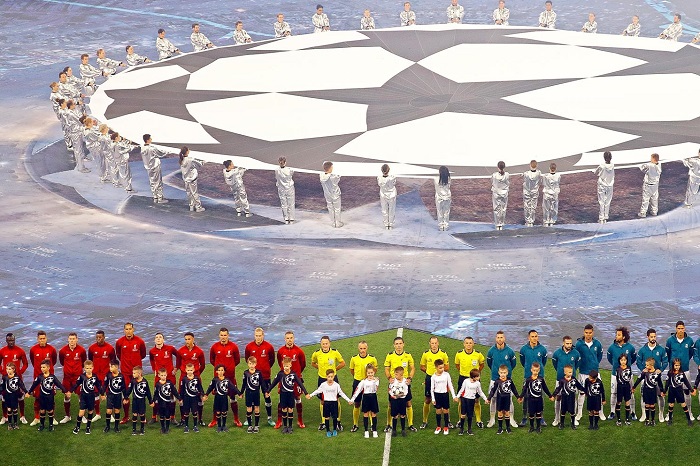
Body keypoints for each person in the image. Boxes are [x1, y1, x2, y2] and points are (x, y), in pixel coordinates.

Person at [209, 327, 242, 428]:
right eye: (221, 335)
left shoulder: (233, 347)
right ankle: (214, 419)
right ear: (219, 336)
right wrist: (219, 371)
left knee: (233, 397)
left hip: (230, 377)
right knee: (217, 398)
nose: (223, 337)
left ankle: (236, 419)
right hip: (218, 379)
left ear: (228, 335)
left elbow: (237, 360)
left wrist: (229, 368)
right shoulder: (214, 347)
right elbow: (212, 360)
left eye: (225, 335)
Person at [115, 322, 147, 425]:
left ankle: (142, 415)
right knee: (126, 394)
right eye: (126, 329)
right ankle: (126, 416)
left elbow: (143, 354)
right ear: (124, 330)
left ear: (133, 330)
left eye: (130, 329)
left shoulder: (140, 341)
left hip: (137, 373)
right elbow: (118, 355)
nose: (128, 331)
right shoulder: (119, 342)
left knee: (140, 393)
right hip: (125, 372)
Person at [311, 336, 345, 431]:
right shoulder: (316, 353)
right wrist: (321, 370)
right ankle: (323, 422)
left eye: (326, 343)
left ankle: (338, 421)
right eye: (323, 344)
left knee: (336, 399)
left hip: (333, 380)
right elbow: (313, 363)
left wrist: (334, 371)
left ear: (329, 343)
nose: (325, 345)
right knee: (322, 400)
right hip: (322, 379)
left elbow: (342, 363)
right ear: (320, 344)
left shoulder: (335, 352)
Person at [383, 336, 416, 432]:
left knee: (408, 403)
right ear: (394, 345)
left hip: (404, 384)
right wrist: (389, 378)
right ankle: (389, 424)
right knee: (391, 404)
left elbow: (412, 368)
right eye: (396, 344)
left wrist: (409, 378)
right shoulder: (390, 356)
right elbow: (386, 368)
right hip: (394, 384)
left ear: (403, 344)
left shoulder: (408, 355)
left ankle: (410, 424)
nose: (398, 346)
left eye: (400, 343)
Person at [267, 356, 308, 434]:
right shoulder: (280, 374)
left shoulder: (293, 374)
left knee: (290, 409)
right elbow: (274, 382)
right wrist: (268, 390)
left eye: (287, 366)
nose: (285, 367)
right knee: (284, 409)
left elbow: (300, 383)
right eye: (284, 366)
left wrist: (306, 393)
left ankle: (290, 426)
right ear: (282, 365)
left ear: (290, 365)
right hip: (283, 394)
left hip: (291, 394)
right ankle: (285, 426)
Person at [244, 328, 276, 427]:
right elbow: (247, 359)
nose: (258, 338)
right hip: (253, 378)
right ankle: (250, 418)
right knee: (252, 397)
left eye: (260, 335)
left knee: (267, 396)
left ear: (263, 335)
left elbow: (272, 360)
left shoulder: (269, 347)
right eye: (256, 336)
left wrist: (266, 368)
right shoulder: (249, 347)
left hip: (265, 377)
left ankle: (269, 418)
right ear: (254, 336)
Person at [486, 331, 517, 428]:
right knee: (493, 399)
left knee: (509, 399)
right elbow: (489, 363)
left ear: (504, 338)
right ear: (496, 338)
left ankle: (511, 418)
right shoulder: (491, 351)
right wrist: (496, 372)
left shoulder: (510, 351)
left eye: (501, 337)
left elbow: (513, 364)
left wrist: (507, 374)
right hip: (494, 378)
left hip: (507, 379)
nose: (500, 339)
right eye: (498, 337)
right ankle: (492, 419)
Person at [28, 360, 69, 431]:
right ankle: (42, 425)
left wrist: (65, 391)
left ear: (48, 368)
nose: (42, 369)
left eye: (44, 367)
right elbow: (34, 385)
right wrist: (29, 392)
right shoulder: (40, 377)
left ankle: (51, 425)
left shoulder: (52, 377)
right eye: (41, 367)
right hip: (42, 397)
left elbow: (59, 384)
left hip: (50, 397)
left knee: (50, 411)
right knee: (42, 411)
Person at [275, 331, 306, 428]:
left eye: (291, 338)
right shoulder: (281, 351)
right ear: (285, 339)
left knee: (298, 398)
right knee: (281, 399)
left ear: (294, 338)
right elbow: (280, 363)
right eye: (287, 338)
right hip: (284, 379)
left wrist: (297, 374)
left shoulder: (299, 351)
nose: (289, 340)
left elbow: (303, 364)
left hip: (295, 380)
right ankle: (279, 420)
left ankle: (300, 420)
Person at [307, 369, 351, 437]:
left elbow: (341, 393)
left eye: (331, 377)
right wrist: (310, 395)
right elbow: (318, 391)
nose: (330, 378)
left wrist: (348, 400)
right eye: (329, 377)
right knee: (326, 417)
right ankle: (328, 430)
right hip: (326, 403)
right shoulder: (323, 385)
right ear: (326, 377)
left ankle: (334, 430)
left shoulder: (336, 385)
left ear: (334, 377)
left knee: (334, 417)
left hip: (334, 403)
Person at [637, 329, 668, 423]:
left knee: (660, 395)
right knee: (643, 395)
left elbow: (665, 361)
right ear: (647, 337)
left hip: (657, 378)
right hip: (646, 377)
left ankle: (661, 414)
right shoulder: (642, 350)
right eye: (651, 337)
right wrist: (643, 369)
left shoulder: (661, 349)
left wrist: (660, 370)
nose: (653, 338)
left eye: (654, 336)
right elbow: (638, 361)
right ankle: (644, 414)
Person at [666, 321, 695, 421]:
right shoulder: (670, 340)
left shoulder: (689, 340)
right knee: (672, 391)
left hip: (685, 370)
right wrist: (673, 365)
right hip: (673, 372)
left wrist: (685, 361)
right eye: (679, 328)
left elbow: (691, 353)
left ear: (684, 329)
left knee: (687, 391)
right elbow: (668, 353)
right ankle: (669, 414)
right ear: (676, 329)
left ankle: (689, 412)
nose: (680, 330)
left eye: (682, 328)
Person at [575, 324, 604, 422]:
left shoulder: (597, 344)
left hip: (595, 372)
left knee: (598, 393)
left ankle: (600, 412)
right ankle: (579, 413)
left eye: (590, 333)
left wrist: (594, 364)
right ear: (584, 332)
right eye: (586, 333)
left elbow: (599, 356)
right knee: (582, 393)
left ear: (593, 332)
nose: (588, 335)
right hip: (583, 372)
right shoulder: (579, 344)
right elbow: (576, 356)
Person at [454, 337, 485, 429]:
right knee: (461, 400)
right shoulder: (459, 354)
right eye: (467, 343)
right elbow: (457, 365)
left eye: (470, 343)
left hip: (475, 379)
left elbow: (482, 364)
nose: (468, 345)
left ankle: (478, 420)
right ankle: (460, 420)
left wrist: (476, 374)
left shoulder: (478, 354)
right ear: (464, 344)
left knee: (476, 400)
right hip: (463, 378)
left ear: (473, 344)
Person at [607, 326, 637, 420]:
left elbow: (633, 358)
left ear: (623, 337)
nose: (616, 336)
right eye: (616, 334)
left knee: (631, 393)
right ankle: (612, 412)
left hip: (628, 375)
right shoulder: (611, 348)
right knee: (613, 393)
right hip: (615, 374)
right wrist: (616, 367)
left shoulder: (630, 347)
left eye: (618, 335)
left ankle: (632, 412)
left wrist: (627, 368)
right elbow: (609, 358)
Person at [28, 331, 58, 427]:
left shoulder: (52, 349)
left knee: (51, 397)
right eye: (40, 339)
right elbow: (33, 361)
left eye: (43, 338)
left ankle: (52, 417)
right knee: (37, 398)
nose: (42, 340)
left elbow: (54, 361)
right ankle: (37, 418)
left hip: (49, 379)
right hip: (38, 377)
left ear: (46, 338)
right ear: (37, 339)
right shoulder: (33, 349)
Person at [519, 330, 547, 426]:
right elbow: (523, 361)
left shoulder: (542, 349)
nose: (534, 338)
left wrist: (538, 372)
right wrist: (528, 369)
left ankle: (541, 417)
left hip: (540, 377)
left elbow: (543, 362)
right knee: (526, 397)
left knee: (541, 397)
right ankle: (524, 417)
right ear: (529, 337)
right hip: (528, 376)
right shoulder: (523, 349)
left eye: (536, 336)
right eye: (532, 336)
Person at [420, 336, 449, 429]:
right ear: (430, 344)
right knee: (428, 399)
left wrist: (439, 374)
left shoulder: (443, 354)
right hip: (429, 378)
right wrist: (431, 374)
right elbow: (422, 366)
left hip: (441, 379)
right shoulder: (426, 354)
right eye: (432, 343)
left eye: (435, 343)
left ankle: (447, 421)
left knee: (444, 399)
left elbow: (447, 367)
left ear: (438, 343)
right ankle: (424, 421)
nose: (434, 345)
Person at [176, 332, 206, 426]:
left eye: (189, 339)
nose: (187, 341)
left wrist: (196, 374)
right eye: (186, 339)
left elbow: (203, 365)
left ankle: (200, 419)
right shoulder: (180, 351)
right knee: (181, 396)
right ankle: (182, 419)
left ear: (193, 339)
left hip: (195, 376)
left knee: (199, 397)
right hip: (183, 377)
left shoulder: (199, 351)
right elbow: (178, 364)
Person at [349, 341, 378, 433]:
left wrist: (370, 378)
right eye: (361, 348)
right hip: (357, 382)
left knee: (370, 405)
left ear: (367, 348)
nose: (362, 350)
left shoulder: (372, 359)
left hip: (368, 383)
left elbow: (375, 369)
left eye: (364, 348)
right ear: (358, 348)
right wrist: (358, 378)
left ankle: (372, 425)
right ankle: (355, 424)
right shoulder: (354, 358)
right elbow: (352, 370)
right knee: (357, 403)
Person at [551, 336, 581, 426]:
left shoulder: (576, 353)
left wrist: (572, 373)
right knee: (558, 397)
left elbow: (577, 364)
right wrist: (560, 371)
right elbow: (555, 364)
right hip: (560, 379)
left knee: (573, 398)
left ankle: (573, 419)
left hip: (572, 381)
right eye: (567, 343)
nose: (569, 345)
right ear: (563, 343)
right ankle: (557, 418)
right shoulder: (557, 353)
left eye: (570, 343)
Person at [58, 332, 87, 424]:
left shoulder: (82, 350)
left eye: (74, 339)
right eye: (70, 339)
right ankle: (67, 416)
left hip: (78, 378)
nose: (72, 341)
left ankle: (82, 415)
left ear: (77, 339)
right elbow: (62, 362)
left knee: (81, 396)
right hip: (67, 378)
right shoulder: (62, 351)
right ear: (68, 339)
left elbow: (84, 362)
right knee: (67, 396)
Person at [149, 333, 177, 423]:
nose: (158, 339)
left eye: (160, 337)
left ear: (163, 340)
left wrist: (176, 368)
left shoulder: (170, 348)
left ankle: (172, 417)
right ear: (154, 340)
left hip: (170, 377)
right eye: (156, 337)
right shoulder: (152, 351)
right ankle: (154, 417)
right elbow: (151, 360)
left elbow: (179, 356)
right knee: (156, 396)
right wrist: (154, 369)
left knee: (172, 397)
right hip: (159, 377)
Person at [1, 333, 29, 425]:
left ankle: (22, 416)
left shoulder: (20, 351)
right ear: (6, 340)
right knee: (4, 397)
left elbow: (25, 364)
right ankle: (5, 417)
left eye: (12, 340)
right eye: (9, 340)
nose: (11, 342)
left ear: (15, 340)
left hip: (17, 379)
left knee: (20, 397)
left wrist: (20, 372)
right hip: (6, 379)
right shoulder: (2, 351)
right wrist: (3, 372)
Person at [203, 364, 240, 433]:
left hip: (224, 398)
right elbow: (210, 388)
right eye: (219, 370)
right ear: (216, 371)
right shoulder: (215, 380)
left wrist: (239, 393)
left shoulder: (227, 380)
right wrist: (206, 395)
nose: (220, 372)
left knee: (224, 412)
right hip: (217, 398)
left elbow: (233, 387)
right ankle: (219, 426)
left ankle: (224, 425)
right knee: (218, 412)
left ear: (224, 371)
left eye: (222, 370)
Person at [519, 362, 553, 433]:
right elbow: (524, 389)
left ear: (539, 370)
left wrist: (550, 396)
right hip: (531, 399)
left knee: (538, 413)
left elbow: (545, 388)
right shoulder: (528, 380)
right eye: (534, 370)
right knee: (531, 414)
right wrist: (521, 397)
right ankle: (531, 427)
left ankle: (538, 427)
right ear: (531, 370)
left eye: (537, 371)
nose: (535, 372)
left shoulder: (541, 379)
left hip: (539, 399)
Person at [348, 363, 380, 438]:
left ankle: (374, 430)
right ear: (366, 373)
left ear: (374, 372)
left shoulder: (376, 380)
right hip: (366, 397)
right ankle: (366, 431)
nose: (370, 374)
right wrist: (352, 399)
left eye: (371, 372)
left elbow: (375, 389)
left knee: (374, 414)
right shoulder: (363, 381)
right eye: (368, 373)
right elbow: (357, 390)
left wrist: (375, 381)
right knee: (366, 414)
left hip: (373, 397)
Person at [70, 360, 101, 435]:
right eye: (87, 368)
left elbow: (98, 385)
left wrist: (102, 394)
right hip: (83, 396)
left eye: (90, 368)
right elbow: (76, 384)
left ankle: (88, 427)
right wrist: (70, 391)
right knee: (81, 412)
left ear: (93, 368)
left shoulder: (95, 376)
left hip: (91, 396)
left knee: (90, 411)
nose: (88, 370)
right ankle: (77, 427)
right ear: (84, 368)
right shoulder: (82, 376)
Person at [487, 365, 520, 434]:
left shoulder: (509, 380)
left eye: (504, 373)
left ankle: (508, 428)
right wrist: (489, 398)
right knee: (500, 413)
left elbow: (514, 389)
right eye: (501, 373)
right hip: (500, 400)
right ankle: (500, 428)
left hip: (507, 399)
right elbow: (493, 390)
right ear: (499, 373)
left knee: (507, 413)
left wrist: (518, 397)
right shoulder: (497, 381)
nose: (503, 374)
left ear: (507, 373)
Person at [633, 358, 664, 426]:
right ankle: (647, 419)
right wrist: (634, 387)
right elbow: (639, 379)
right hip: (646, 390)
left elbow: (660, 383)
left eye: (647, 365)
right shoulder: (645, 372)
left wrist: (662, 391)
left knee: (652, 405)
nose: (645, 366)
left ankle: (652, 420)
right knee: (647, 405)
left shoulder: (657, 373)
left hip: (653, 391)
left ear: (651, 365)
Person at [456, 368, 488, 435]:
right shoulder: (466, 381)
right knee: (463, 415)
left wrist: (485, 399)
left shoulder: (478, 383)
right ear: (474, 377)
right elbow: (462, 389)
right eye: (478, 376)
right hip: (464, 399)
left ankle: (469, 429)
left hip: (471, 400)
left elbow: (480, 392)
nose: (479, 377)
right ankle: (461, 429)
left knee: (470, 415)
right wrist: (457, 396)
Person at [552, 365, 583, 429]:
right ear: (565, 372)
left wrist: (585, 390)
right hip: (564, 398)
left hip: (571, 398)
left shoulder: (574, 379)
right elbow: (558, 388)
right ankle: (562, 424)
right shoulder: (562, 380)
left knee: (572, 411)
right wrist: (553, 395)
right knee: (563, 411)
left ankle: (573, 424)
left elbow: (579, 386)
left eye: (571, 372)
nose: (571, 373)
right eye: (569, 372)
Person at [665, 358, 695, 426]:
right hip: (672, 391)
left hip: (679, 391)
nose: (677, 367)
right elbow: (667, 382)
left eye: (678, 365)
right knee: (671, 404)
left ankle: (689, 419)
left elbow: (686, 382)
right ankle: (670, 419)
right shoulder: (670, 372)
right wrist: (664, 391)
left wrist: (691, 389)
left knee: (683, 404)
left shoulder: (682, 373)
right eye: (676, 365)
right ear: (673, 365)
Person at [430, 359, 456, 434]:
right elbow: (432, 389)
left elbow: (450, 385)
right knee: (438, 411)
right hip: (437, 395)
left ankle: (446, 427)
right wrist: (433, 399)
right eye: (440, 368)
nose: (442, 369)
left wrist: (454, 396)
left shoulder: (446, 375)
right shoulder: (433, 377)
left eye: (443, 367)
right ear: (436, 367)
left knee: (445, 410)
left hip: (445, 394)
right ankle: (438, 426)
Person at [124, 366, 152, 435]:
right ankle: (134, 429)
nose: (133, 374)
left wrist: (150, 401)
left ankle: (142, 429)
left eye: (134, 373)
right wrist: (126, 398)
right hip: (135, 401)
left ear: (139, 373)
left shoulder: (145, 382)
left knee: (142, 414)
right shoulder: (133, 381)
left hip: (142, 401)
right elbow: (129, 390)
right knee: (135, 414)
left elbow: (148, 392)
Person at [141, 134, 169, 204]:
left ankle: (155, 197)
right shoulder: (152, 148)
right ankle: (160, 198)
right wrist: (167, 151)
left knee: (152, 181)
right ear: (148, 140)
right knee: (158, 182)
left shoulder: (142, 148)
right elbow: (160, 153)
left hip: (148, 167)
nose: (151, 139)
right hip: (155, 166)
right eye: (150, 138)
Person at [65, 101, 90, 173]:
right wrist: (84, 117)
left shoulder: (72, 111)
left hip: (77, 132)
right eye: (73, 104)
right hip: (75, 133)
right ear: (70, 106)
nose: (75, 105)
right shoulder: (70, 113)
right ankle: (81, 167)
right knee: (78, 150)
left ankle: (81, 165)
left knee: (79, 149)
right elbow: (80, 120)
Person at [178, 362, 204, 433]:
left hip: (194, 398)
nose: (190, 371)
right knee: (186, 412)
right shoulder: (184, 379)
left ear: (194, 370)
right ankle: (186, 426)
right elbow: (182, 389)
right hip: (186, 398)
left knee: (194, 412)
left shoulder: (196, 378)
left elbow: (200, 387)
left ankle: (195, 426)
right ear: (186, 370)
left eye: (191, 370)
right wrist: (180, 398)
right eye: (188, 370)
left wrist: (202, 395)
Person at [152, 368, 180, 434]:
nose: (163, 377)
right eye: (162, 375)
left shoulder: (169, 383)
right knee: (161, 416)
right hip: (160, 403)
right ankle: (162, 427)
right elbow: (156, 394)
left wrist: (179, 398)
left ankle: (167, 428)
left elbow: (174, 391)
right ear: (158, 375)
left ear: (166, 375)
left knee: (167, 415)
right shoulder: (157, 384)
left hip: (168, 403)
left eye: (164, 375)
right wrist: (153, 401)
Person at [240, 357, 264, 433]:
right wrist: (241, 392)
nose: (251, 365)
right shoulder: (245, 373)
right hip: (248, 393)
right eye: (250, 364)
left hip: (256, 393)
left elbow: (262, 383)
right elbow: (244, 384)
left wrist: (266, 392)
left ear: (255, 364)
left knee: (257, 408)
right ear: (248, 364)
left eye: (253, 364)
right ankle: (250, 426)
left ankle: (256, 425)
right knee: (249, 408)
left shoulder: (259, 373)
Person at [2, 363, 28, 430]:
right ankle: (10, 424)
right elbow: (2, 386)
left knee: (15, 409)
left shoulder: (17, 377)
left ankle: (15, 424)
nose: (7, 370)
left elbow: (21, 385)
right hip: (8, 396)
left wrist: (26, 392)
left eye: (9, 369)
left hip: (14, 396)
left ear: (13, 369)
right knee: (9, 409)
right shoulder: (5, 377)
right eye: (7, 369)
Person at [179, 146, 205, 212]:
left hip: (186, 179)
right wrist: (203, 162)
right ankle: (198, 207)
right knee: (194, 193)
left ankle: (191, 206)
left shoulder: (181, 160)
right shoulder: (190, 160)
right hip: (192, 178)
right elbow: (199, 164)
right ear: (187, 152)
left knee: (189, 193)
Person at [102, 360, 125, 433]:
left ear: (117, 367)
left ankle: (116, 427)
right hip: (110, 395)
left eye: (111, 367)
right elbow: (105, 385)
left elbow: (123, 387)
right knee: (109, 411)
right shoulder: (108, 375)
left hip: (118, 395)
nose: (110, 368)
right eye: (110, 367)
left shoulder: (121, 376)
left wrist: (125, 397)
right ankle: (107, 426)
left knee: (117, 411)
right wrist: (102, 394)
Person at [388, 366, 410, 437]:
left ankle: (403, 429)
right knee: (395, 415)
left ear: (401, 374)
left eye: (397, 374)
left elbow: (406, 392)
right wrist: (392, 395)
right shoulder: (393, 381)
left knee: (402, 415)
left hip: (402, 400)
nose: (395, 376)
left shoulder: (405, 382)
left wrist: (398, 396)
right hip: (394, 400)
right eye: (395, 374)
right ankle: (394, 430)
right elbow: (389, 390)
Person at [638, 153, 662, 218]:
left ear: (653, 159)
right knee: (654, 199)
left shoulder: (649, 166)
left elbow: (642, 168)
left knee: (645, 199)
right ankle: (654, 211)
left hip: (648, 186)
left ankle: (643, 213)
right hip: (655, 185)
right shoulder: (659, 165)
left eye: (651, 158)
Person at [320, 161, 342, 227]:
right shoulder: (334, 176)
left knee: (330, 208)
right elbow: (338, 178)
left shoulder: (321, 175)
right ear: (330, 168)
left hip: (327, 194)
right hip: (335, 194)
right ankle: (337, 222)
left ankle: (333, 222)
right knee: (337, 208)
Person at [594, 151, 614, 223]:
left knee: (601, 201)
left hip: (602, 184)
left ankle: (601, 217)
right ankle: (606, 216)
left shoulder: (601, 165)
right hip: (610, 185)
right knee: (608, 201)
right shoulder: (612, 165)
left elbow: (595, 172)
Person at [613, 354, 633, 425]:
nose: (623, 361)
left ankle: (627, 419)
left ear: (627, 360)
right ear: (619, 361)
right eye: (622, 360)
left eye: (624, 360)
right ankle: (618, 419)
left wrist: (631, 387)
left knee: (627, 402)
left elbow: (630, 378)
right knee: (619, 401)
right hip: (620, 387)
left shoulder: (629, 368)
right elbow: (617, 379)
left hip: (627, 386)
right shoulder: (618, 369)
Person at [275, 156, 295, 223]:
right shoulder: (290, 170)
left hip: (281, 188)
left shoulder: (277, 170)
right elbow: (291, 174)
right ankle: (291, 217)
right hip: (289, 188)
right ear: (285, 162)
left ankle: (286, 218)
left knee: (283, 204)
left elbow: (277, 178)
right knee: (291, 203)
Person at [377, 164, 397, 230]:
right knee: (391, 210)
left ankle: (386, 225)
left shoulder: (379, 178)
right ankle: (390, 224)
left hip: (383, 194)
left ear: (381, 170)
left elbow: (379, 184)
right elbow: (394, 183)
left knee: (384, 209)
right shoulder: (393, 177)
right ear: (389, 170)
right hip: (392, 194)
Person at [522, 160, 541, 227]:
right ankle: (532, 221)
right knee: (533, 206)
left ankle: (528, 221)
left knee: (527, 206)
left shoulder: (526, 174)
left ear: (530, 165)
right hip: (534, 191)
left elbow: (524, 179)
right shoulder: (538, 173)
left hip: (527, 191)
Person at [491, 161, 509, 230]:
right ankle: (501, 224)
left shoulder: (494, 175)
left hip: (496, 193)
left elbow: (492, 182)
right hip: (504, 193)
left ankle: (497, 224)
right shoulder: (507, 175)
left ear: (498, 167)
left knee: (496, 208)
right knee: (503, 208)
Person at [435, 166, 451, 231]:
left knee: (439, 212)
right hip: (447, 197)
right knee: (446, 212)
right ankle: (446, 226)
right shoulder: (449, 179)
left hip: (439, 198)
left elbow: (436, 188)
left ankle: (441, 226)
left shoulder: (436, 179)